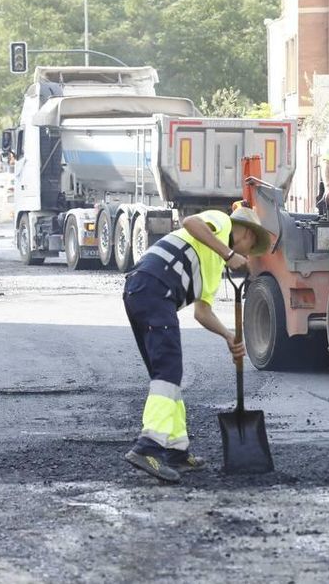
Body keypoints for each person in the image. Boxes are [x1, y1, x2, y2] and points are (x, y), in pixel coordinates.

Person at [122, 205, 273, 483]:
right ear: (245, 232)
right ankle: (148, 448)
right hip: (154, 287)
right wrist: (228, 253)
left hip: (145, 292)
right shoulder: (220, 222)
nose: (249, 252)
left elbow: (202, 312)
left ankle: (177, 451)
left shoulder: (214, 266)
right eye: (252, 243)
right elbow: (191, 221)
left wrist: (228, 336)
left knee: (167, 377)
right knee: (167, 372)